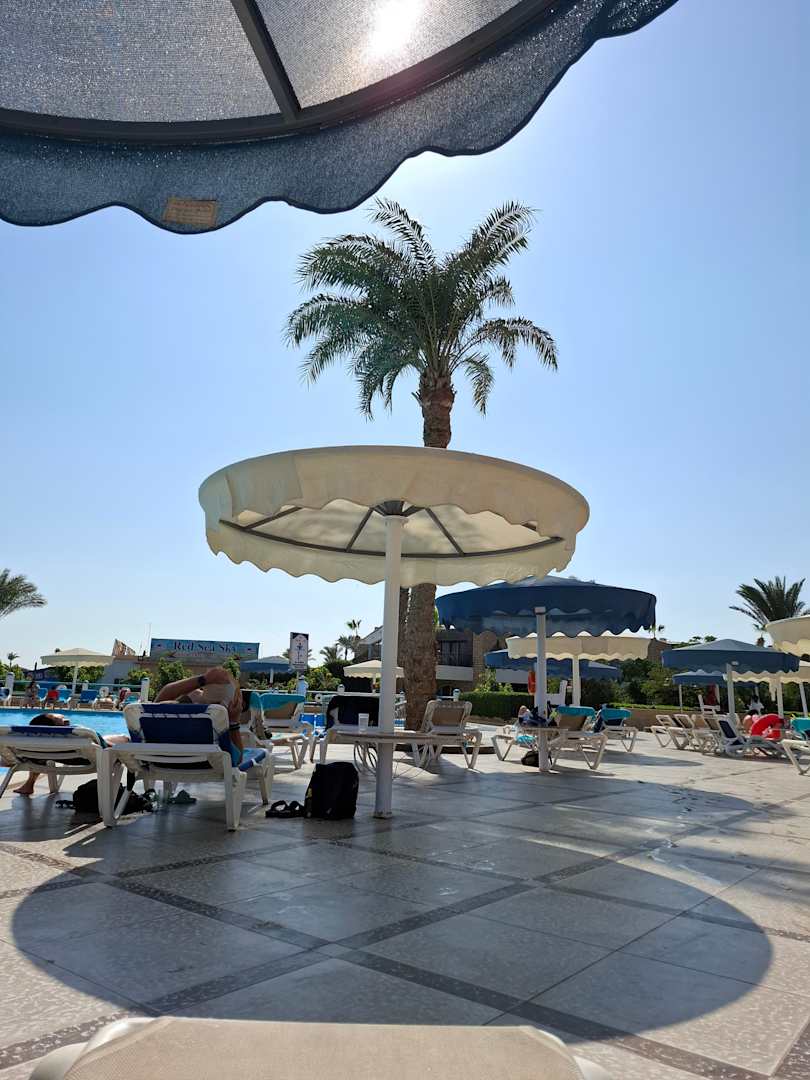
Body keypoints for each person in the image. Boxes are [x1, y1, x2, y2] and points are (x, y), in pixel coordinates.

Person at [13, 712, 129, 796]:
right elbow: (107, 749)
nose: (66, 719)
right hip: (89, 757)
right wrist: (123, 750)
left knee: (40, 748)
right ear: (58, 725)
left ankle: (29, 784)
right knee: (123, 738)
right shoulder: (80, 733)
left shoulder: (34, 743)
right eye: (62, 719)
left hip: (56, 755)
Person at [155, 667, 244, 757]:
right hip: (206, 765)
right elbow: (237, 758)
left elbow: (157, 704)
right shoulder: (218, 730)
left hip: (163, 761)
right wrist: (233, 722)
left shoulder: (177, 716)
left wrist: (203, 679)